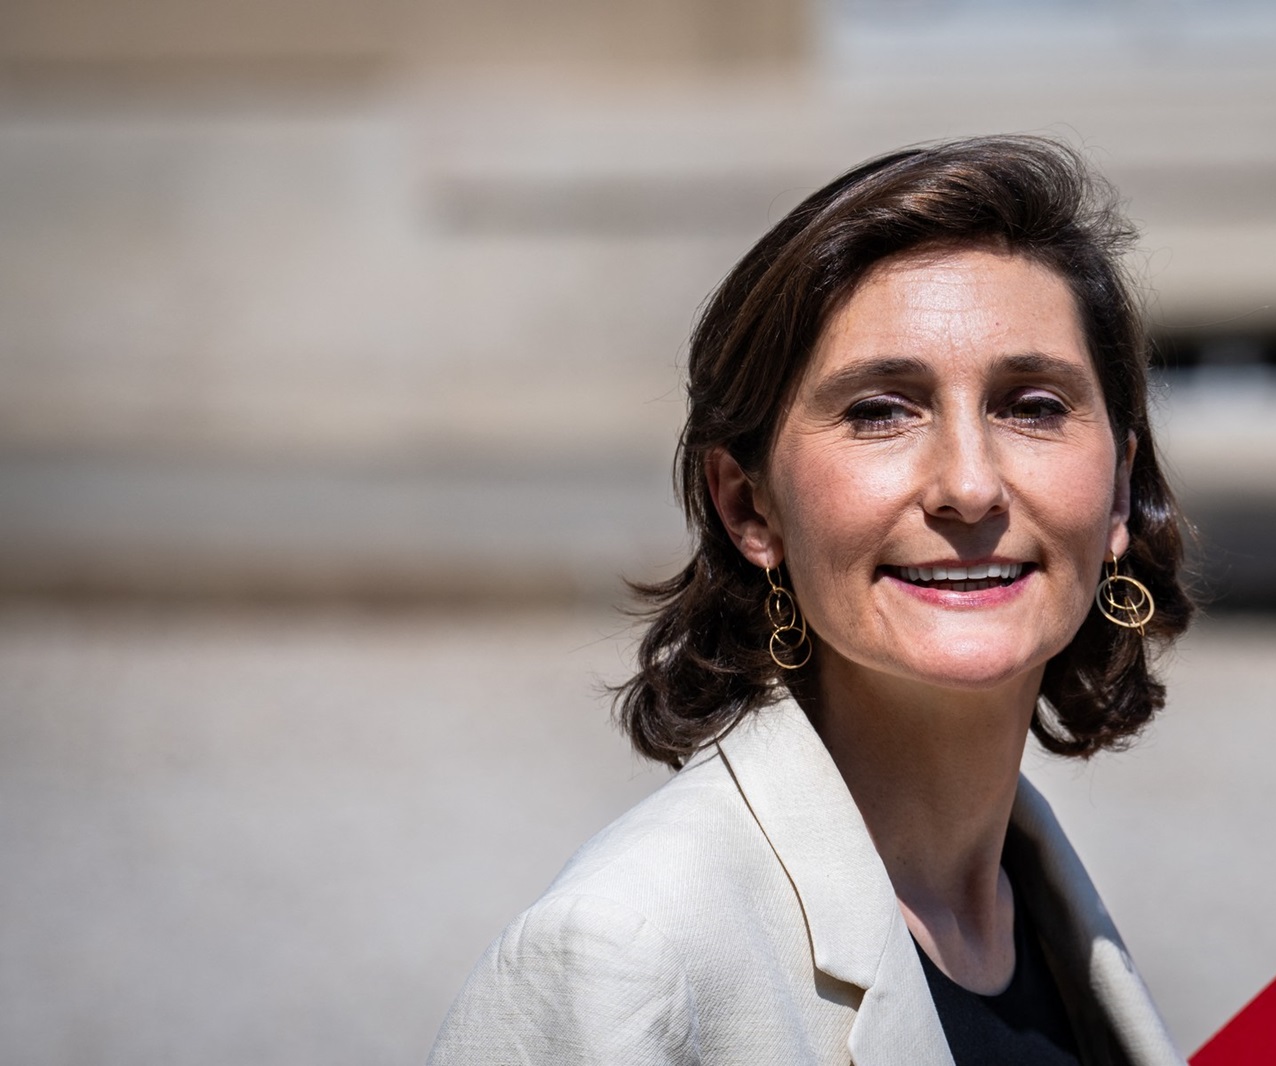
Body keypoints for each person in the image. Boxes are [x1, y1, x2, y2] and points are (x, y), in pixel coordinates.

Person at [429, 135, 1192, 1066]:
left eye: (1032, 405)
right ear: (751, 507)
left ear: (1119, 493)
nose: (970, 485)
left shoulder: (1046, 919)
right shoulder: (623, 961)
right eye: (880, 409)